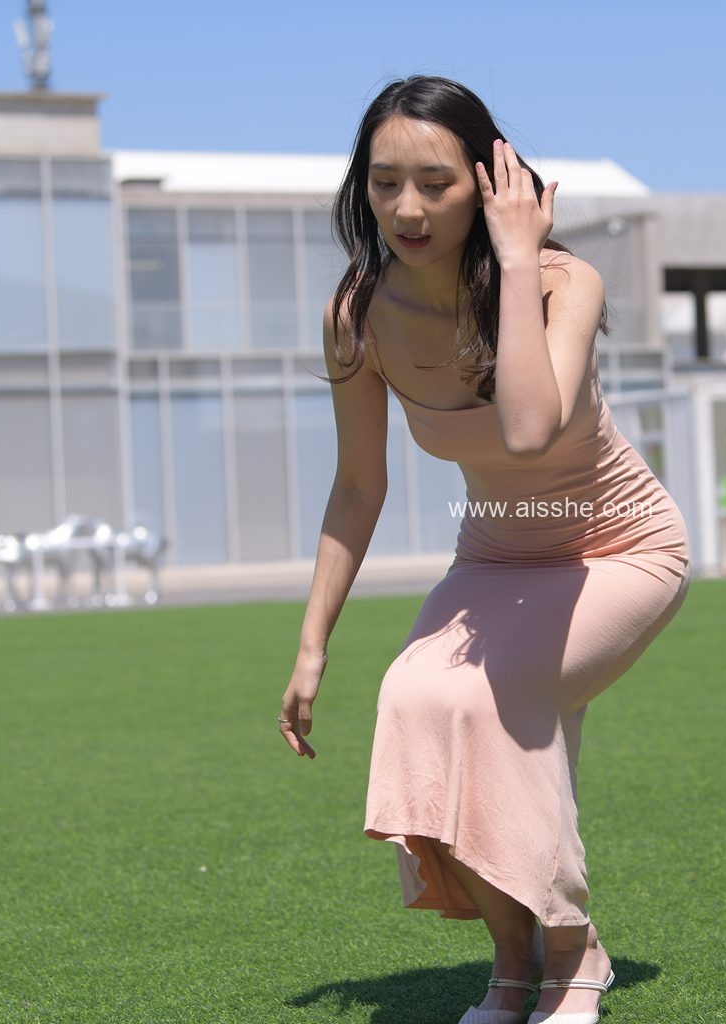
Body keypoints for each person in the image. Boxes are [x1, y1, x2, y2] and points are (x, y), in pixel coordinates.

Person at [279, 76, 690, 1024]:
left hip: (621, 550)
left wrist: (513, 257)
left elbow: (530, 432)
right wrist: (312, 643)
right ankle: (514, 961)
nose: (407, 209)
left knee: (486, 699)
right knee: (411, 697)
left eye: (435, 183)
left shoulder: (560, 283)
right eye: (384, 183)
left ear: (487, 182)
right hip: (496, 559)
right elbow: (358, 485)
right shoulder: (357, 314)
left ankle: (573, 950)